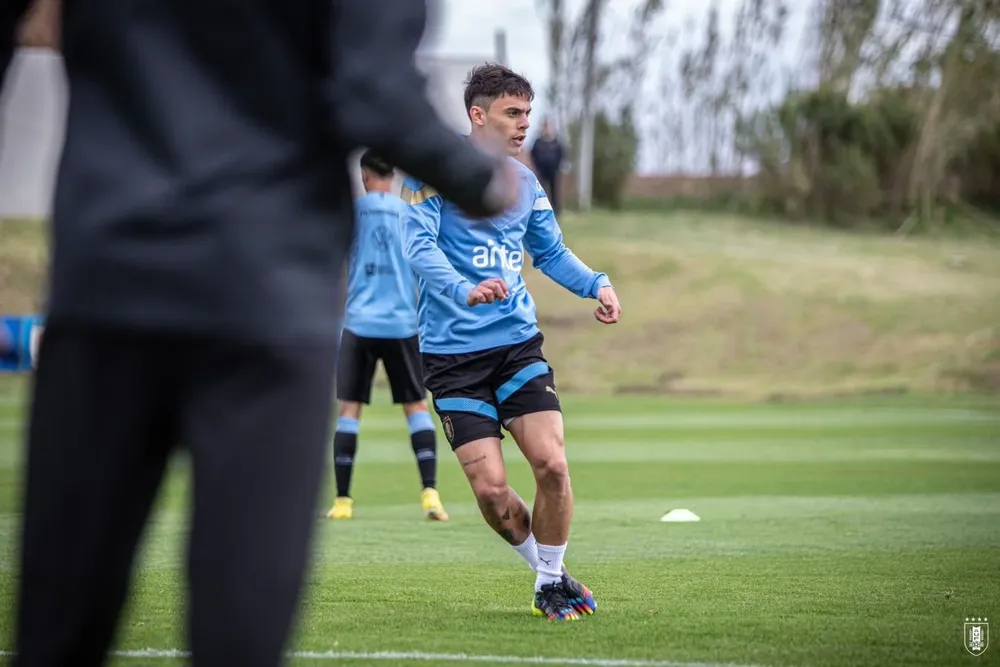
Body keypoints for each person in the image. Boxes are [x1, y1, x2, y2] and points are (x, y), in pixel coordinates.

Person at [0, 2, 518, 665]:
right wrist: (485, 177)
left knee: (56, 629)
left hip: (109, 278)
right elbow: (373, 91)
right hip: (261, 297)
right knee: (239, 631)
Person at [401, 63, 622, 622]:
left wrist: (597, 282)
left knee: (552, 465)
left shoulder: (525, 183)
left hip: (517, 347)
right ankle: (550, 572)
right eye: (512, 113)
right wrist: (464, 289)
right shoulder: (430, 175)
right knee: (494, 495)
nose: (525, 124)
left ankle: (549, 582)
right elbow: (419, 248)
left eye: (527, 112)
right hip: (452, 361)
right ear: (478, 116)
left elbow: (549, 252)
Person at [328, 149, 447, 521]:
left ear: (364, 176)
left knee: (349, 409)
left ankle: (343, 502)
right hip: (402, 324)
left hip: (359, 322)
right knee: (416, 407)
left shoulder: (351, 214)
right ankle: (430, 495)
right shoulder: (409, 213)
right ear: (393, 175)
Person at [529, 119, 565, 215]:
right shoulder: (538, 142)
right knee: (541, 191)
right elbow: (533, 154)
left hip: (553, 171)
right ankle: (539, 210)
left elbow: (562, 154)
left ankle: (556, 211)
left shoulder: (556, 142)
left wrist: (557, 166)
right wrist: (536, 166)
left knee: (554, 192)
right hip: (541, 171)